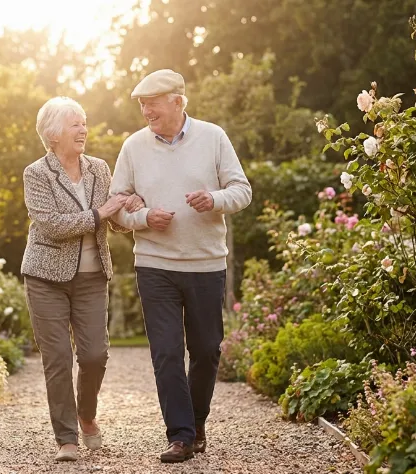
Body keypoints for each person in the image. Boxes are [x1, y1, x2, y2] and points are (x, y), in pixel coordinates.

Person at [109, 69, 252, 463]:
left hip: (206, 264)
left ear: (177, 101)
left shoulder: (213, 137)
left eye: (152, 103)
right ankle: (181, 436)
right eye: (142, 104)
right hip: (154, 265)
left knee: (206, 350)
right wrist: (144, 218)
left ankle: (196, 422)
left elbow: (242, 190)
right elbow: (117, 206)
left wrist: (214, 199)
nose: (146, 111)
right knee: (167, 352)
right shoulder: (133, 147)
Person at [21, 96, 143, 462]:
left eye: (84, 123)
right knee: (57, 358)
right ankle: (66, 438)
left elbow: (114, 221)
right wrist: (101, 212)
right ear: (53, 133)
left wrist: (130, 207)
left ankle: (86, 414)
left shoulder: (99, 169)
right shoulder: (36, 173)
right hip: (45, 278)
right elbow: (51, 225)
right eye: (75, 124)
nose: (83, 130)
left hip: (92, 277)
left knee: (94, 355)